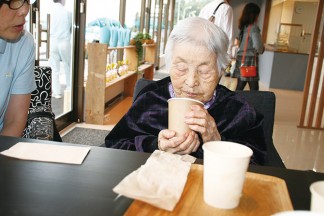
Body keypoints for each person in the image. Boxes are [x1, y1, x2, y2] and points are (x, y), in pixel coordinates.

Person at [105, 17, 266, 165]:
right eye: (181, 68)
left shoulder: (239, 111)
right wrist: (155, 145)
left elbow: (259, 165)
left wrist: (217, 142)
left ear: (221, 71)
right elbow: (114, 144)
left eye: (204, 71)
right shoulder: (150, 98)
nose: (191, 82)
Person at [0, 0, 36, 137]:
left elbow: (14, 121)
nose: (25, 10)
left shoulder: (23, 43)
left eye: (26, 0)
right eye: (14, 1)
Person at [232, 3, 264, 91]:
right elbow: (258, 46)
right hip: (249, 60)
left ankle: (234, 102)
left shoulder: (243, 27)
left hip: (241, 58)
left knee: (240, 85)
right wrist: (262, 49)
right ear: (254, 15)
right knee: (254, 88)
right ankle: (254, 104)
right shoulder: (253, 28)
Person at [49, 0, 72, 99]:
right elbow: (71, 28)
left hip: (53, 41)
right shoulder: (68, 13)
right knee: (67, 65)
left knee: (55, 68)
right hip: (64, 41)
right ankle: (69, 88)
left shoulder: (51, 11)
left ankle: (57, 92)